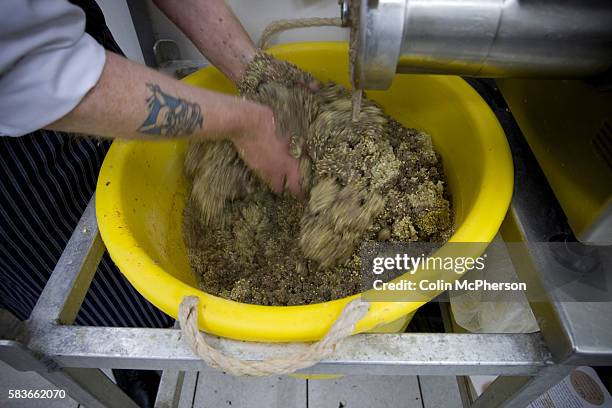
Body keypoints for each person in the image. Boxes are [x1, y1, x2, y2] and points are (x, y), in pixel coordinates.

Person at [0, 0, 301, 406]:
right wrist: (247, 123)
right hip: (15, 179)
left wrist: (256, 72)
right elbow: (32, 69)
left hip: (92, 65)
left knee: (141, 216)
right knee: (104, 306)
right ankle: (136, 360)